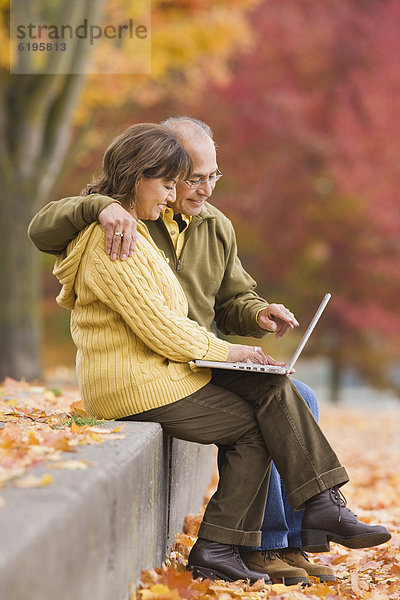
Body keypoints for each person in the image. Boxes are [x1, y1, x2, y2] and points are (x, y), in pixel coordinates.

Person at [28, 119, 391, 586]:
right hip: (156, 370)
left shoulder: (207, 224)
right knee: (262, 420)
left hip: (184, 360)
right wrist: (101, 207)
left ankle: (311, 516)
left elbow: (230, 298)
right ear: (148, 175)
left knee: (282, 390)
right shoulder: (116, 231)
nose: (197, 189)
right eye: (181, 180)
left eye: (208, 177)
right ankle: (251, 540)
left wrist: (257, 315)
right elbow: (158, 324)